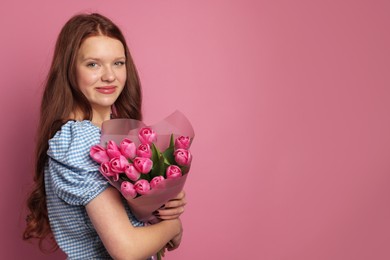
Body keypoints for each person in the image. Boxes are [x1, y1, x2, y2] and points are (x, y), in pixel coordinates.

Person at [23, 13, 186, 259]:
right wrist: (173, 226)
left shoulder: (114, 136)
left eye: (118, 63)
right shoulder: (82, 141)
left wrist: (162, 209)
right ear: (69, 69)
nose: (110, 76)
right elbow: (127, 249)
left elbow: (151, 237)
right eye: (93, 64)